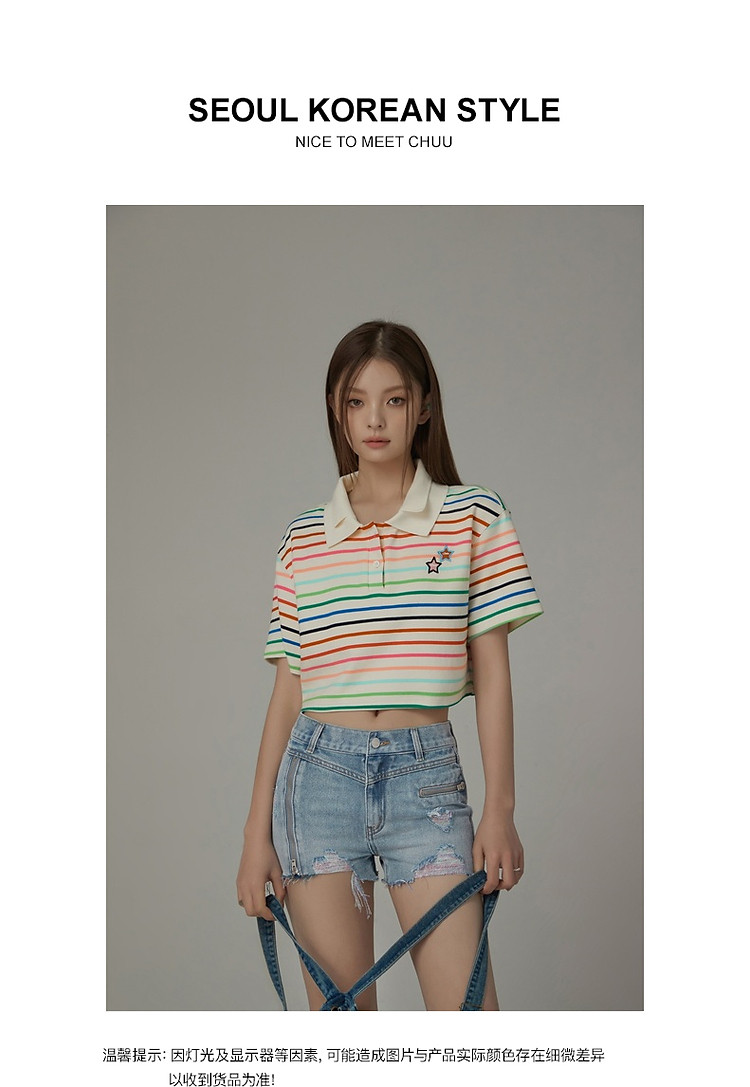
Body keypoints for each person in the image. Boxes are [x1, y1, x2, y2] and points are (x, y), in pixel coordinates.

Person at [236, 320, 543, 1010]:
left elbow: (493, 674)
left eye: (394, 399)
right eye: (356, 401)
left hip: (424, 781)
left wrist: (500, 808)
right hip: (317, 782)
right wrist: (256, 835)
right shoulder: (303, 538)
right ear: (337, 411)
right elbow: (288, 690)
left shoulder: (475, 517)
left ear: (424, 405)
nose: (374, 419)